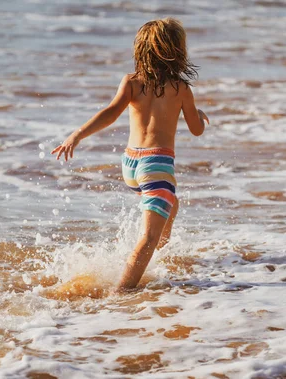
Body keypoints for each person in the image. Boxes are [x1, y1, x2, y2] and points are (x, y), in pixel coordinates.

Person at [51, 17, 209, 291]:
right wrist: (198, 115)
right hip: (157, 165)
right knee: (148, 237)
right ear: (178, 52)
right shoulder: (181, 89)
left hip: (131, 164)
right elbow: (196, 130)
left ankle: (160, 259)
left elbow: (110, 113)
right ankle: (122, 292)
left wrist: (77, 134)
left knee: (172, 207)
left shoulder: (132, 82)